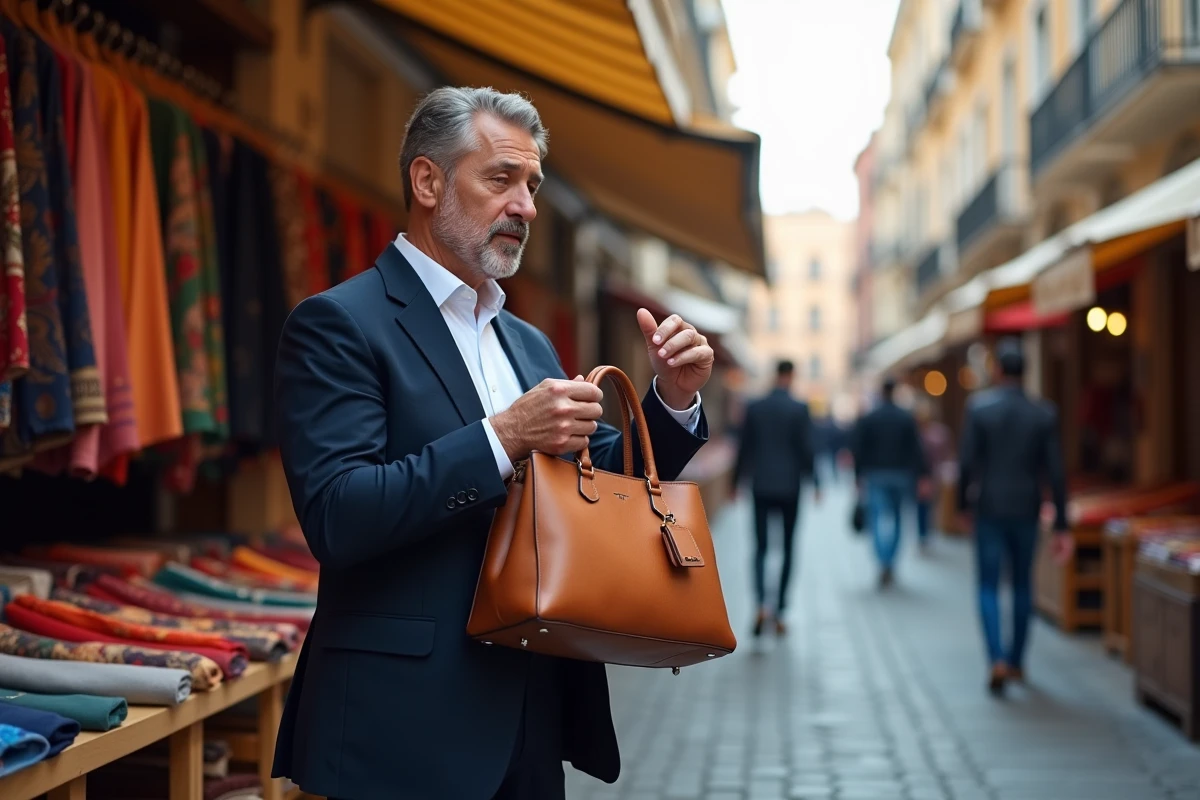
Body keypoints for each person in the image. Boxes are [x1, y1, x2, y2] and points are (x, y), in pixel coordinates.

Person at [270, 87, 714, 800]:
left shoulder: (526, 341)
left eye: (533, 186)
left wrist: (674, 399)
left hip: (531, 716)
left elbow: (597, 482)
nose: (527, 206)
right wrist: (503, 437)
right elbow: (338, 514)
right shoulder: (339, 324)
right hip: (401, 726)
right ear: (427, 181)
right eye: (501, 178)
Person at [958, 338, 1071, 695]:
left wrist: (962, 504)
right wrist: (1063, 525)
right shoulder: (1043, 413)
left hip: (989, 507)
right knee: (1023, 584)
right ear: (1026, 372)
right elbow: (1056, 472)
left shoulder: (979, 409)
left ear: (997, 370)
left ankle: (996, 659)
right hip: (1027, 507)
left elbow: (966, 463)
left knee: (988, 585)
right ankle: (1018, 660)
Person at [733, 360, 821, 636]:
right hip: (790, 487)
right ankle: (780, 610)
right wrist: (816, 481)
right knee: (787, 548)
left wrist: (735, 483)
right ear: (791, 376)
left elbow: (744, 447)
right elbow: (807, 448)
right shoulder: (800, 408)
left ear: (775, 375)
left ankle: (760, 604)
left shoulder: (755, 407)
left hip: (760, 484)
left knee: (760, 547)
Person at [851, 377, 930, 587]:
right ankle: (890, 560)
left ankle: (882, 560)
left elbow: (859, 449)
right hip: (901, 475)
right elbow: (916, 449)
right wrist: (923, 475)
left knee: (877, 517)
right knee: (897, 518)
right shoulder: (905, 418)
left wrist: (857, 475)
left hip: (876, 474)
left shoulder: (870, 418)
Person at [913, 398, 953, 550]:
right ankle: (925, 533)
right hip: (928, 475)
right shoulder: (935, 432)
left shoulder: (933, 433)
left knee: (926, 505)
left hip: (931, 475)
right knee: (924, 506)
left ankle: (926, 532)